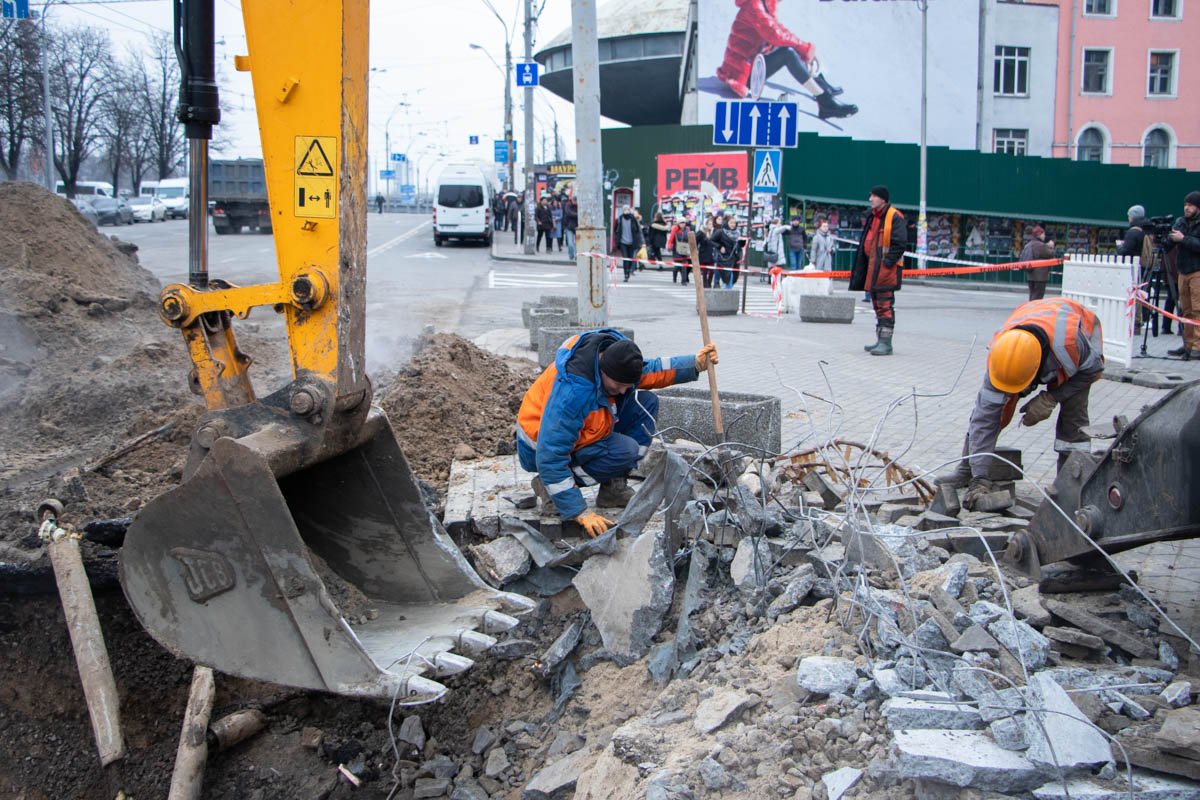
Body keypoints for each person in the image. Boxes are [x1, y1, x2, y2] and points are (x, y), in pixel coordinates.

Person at [517, 331, 720, 536]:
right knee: (624, 451)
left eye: (626, 386)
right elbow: (550, 454)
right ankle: (550, 486)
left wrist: (693, 364)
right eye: (618, 386)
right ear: (604, 372)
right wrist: (578, 511)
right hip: (538, 449)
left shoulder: (612, 358)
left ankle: (612, 488)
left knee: (646, 402)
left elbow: (651, 369)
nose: (623, 391)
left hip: (578, 433)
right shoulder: (572, 395)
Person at [937, 298, 1104, 510]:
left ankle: (1070, 485)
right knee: (992, 414)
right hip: (1032, 337)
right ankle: (969, 470)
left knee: (1073, 417)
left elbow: (1093, 370)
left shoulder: (1071, 346)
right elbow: (984, 418)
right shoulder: (1001, 356)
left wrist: (1051, 397)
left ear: (1037, 372)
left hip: (1080, 359)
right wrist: (981, 479)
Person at [715, 0, 857, 120]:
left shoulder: (763, 4)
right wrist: (805, 48)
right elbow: (774, 34)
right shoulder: (754, 5)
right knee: (787, 53)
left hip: (749, 65)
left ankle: (821, 86)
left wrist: (804, 50)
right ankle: (824, 100)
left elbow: (779, 30)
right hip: (741, 75)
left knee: (792, 48)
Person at [850, 185, 907, 357]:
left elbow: (900, 244)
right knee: (877, 304)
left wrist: (887, 263)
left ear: (882, 199)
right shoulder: (873, 217)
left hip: (885, 271)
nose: (870, 199)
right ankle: (880, 340)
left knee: (885, 305)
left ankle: (885, 343)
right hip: (874, 269)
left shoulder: (894, 217)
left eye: (874, 196)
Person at [1166, 191, 1200, 360]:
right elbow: (1170, 244)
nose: (1187, 208)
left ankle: (1198, 346)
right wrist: (1165, 238)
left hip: (1197, 272)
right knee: (1185, 309)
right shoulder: (1181, 222)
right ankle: (1188, 344)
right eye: (1186, 204)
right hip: (1183, 271)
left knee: (1198, 309)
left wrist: (1183, 238)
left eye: (1191, 205)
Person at [1020, 225, 1056, 302]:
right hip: (1040, 276)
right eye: (1043, 234)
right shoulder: (1040, 245)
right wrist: (1051, 246)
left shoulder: (1028, 244)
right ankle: (1032, 311)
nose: (1044, 236)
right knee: (1037, 297)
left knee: (1032, 295)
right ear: (1039, 234)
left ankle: (1030, 310)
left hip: (1031, 275)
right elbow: (1050, 254)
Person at [615, 205, 644, 282]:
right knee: (625, 259)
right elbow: (616, 230)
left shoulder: (633, 219)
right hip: (623, 242)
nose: (626, 211)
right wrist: (617, 241)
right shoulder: (620, 219)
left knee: (631, 258)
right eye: (624, 209)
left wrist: (640, 242)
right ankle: (626, 274)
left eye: (627, 209)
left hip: (632, 242)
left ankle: (629, 270)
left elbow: (638, 231)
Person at [710, 216, 738, 289]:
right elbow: (711, 240)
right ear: (727, 223)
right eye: (731, 223)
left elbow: (736, 245)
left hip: (731, 257)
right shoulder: (721, 232)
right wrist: (720, 247)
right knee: (721, 271)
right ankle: (717, 283)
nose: (733, 225)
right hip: (722, 257)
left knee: (730, 274)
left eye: (734, 223)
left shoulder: (736, 233)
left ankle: (728, 289)